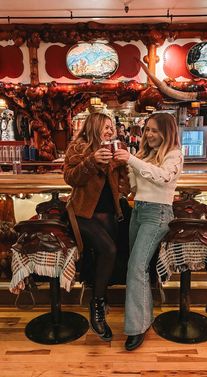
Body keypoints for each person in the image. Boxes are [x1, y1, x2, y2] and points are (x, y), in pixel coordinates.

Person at [114, 112, 183, 351]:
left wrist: (132, 161)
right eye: (147, 130)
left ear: (167, 131)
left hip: (159, 214)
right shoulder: (145, 153)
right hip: (139, 211)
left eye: (155, 130)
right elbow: (135, 188)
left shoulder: (174, 154)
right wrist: (125, 168)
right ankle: (144, 318)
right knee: (139, 268)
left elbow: (163, 178)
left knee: (136, 268)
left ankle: (136, 328)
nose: (150, 134)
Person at [64, 112, 130, 341]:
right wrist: (91, 161)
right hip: (83, 214)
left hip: (110, 215)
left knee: (108, 256)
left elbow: (126, 189)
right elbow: (70, 178)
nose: (110, 131)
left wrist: (125, 163)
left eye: (112, 127)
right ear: (93, 127)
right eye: (106, 126)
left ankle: (100, 297)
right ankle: (97, 306)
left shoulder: (115, 148)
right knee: (108, 250)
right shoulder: (79, 148)